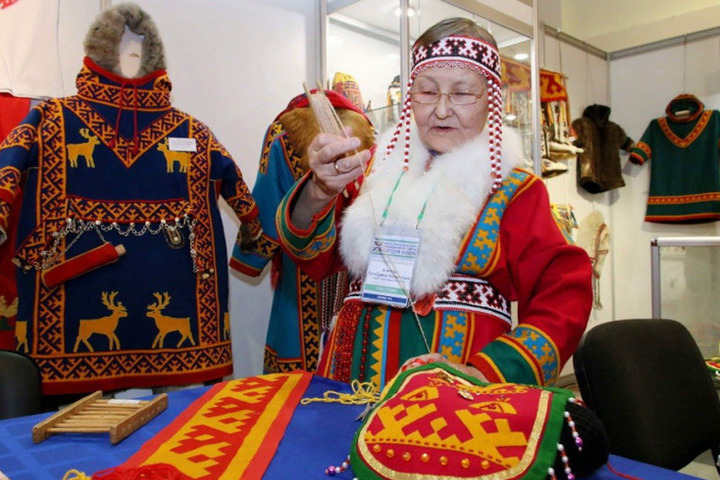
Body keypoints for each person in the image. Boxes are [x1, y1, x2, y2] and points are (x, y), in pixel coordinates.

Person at [276, 17, 592, 389]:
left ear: (491, 100)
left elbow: (563, 294)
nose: (441, 110)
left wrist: (490, 371)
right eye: (427, 91)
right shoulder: (373, 169)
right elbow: (312, 258)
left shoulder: (514, 190)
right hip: (348, 379)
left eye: (462, 93)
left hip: (453, 395)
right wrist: (319, 190)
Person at [230, 89, 374, 373]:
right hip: (354, 267)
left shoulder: (282, 133)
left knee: (296, 366)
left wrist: (251, 256)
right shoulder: (366, 131)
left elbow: (269, 195)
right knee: (351, 354)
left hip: (301, 261)